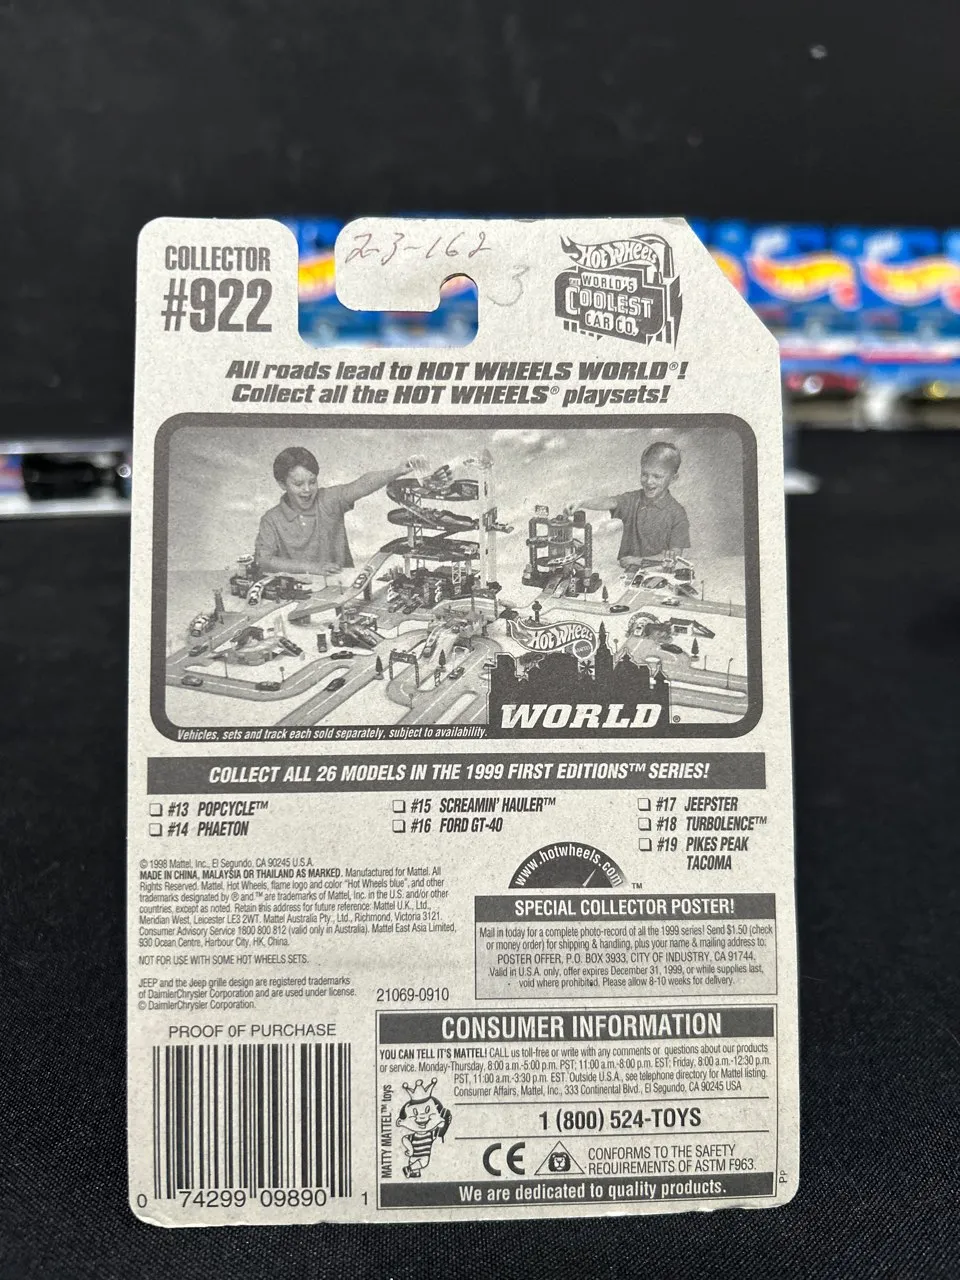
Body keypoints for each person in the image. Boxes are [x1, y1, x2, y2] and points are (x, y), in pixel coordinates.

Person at [255, 446, 417, 574]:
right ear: (282, 484)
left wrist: (397, 471)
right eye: (298, 484)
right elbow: (263, 560)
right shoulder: (271, 519)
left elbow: (361, 485)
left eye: (312, 482)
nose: (307, 489)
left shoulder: (329, 499)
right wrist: (313, 568)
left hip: (337, 582)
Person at [571, 441, 689, 568]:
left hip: (659, 572)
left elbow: (675, 555)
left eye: (657, 476)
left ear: (673, 478)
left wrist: (638, 561)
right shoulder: (633, 500)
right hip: (626, 570)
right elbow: (610, 502)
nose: (649, 481)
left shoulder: (678, 513)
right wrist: (582, 502)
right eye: (644, 474)